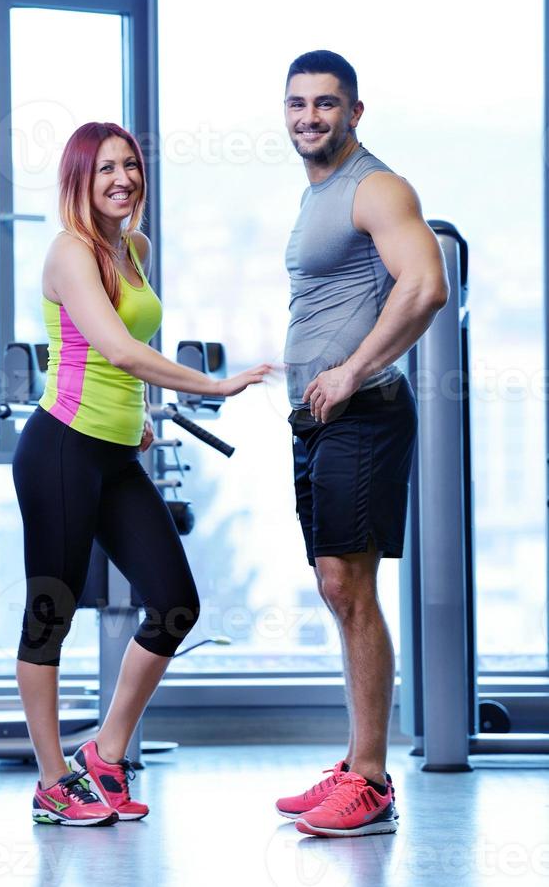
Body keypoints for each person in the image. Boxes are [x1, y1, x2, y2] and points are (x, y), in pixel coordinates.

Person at [13, 121, 271, 826]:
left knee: (174, 603)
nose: (122, 178)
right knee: (50, 617)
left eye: (129, 165)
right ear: (78, 180)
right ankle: (51, 779)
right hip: (61, 448)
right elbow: (121, 350)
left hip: (117, 453)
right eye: (105, 169)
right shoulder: (69, 252)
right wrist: (208, 386)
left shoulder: (133, 248)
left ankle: (107, 750)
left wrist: (142, 417)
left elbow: (117, 358)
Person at [274, 51, 449, 838]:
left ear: (355, 111)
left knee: (351, 584)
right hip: (319, 419)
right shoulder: (318, 195)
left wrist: (348, 372)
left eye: (326, 103)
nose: (310, 116)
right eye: (298, 103)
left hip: (363, 412)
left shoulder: (376, 187)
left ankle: (372, 781)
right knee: (337, 587)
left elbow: (426, 284)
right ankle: (356, 762)